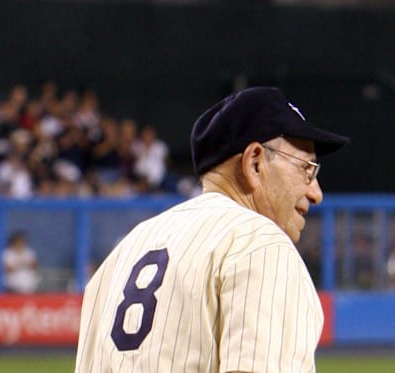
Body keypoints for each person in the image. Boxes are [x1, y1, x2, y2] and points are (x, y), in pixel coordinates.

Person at [75, 86, 349, 373]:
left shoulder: (122, 255)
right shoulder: (261, 245)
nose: (316, 192)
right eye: (306, 169)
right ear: (254, 162)